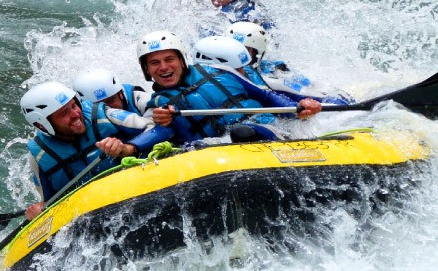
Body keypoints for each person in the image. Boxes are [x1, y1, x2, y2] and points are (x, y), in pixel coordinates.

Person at [137, 31, 322, 145]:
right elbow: (186, 142)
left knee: (244, 131)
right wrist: (170, 122)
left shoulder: (220, 70)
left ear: (181, 60)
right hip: (223, 148)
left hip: (270, 129)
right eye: (154, 63)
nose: (163, 67)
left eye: (169, 59)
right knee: (239, 133)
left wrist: (299, 109)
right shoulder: (159, 107)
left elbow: (266, 97)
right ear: (147, 70)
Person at [20, 81, 172, 219]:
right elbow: (49, 203)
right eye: (64, 113)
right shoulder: (39, 155)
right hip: (95, 215)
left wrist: (128, 148)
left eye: (74, 106)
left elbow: (161, 128)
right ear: (42, 124)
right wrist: (39, 209)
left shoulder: (103, 114)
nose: (75, 114)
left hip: (139, 191)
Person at [227, 21, 354, 105]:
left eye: (245, 50)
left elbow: (314, 92)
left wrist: (345, 102)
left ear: (257, 53)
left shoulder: (272, 75)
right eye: (233, 48)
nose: (237, 56)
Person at [72, 67, 149, 116]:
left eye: (111, 100)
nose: (107, 108)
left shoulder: (138, 98)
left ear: (121, 94)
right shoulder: (81, 119)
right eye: (98, 105)